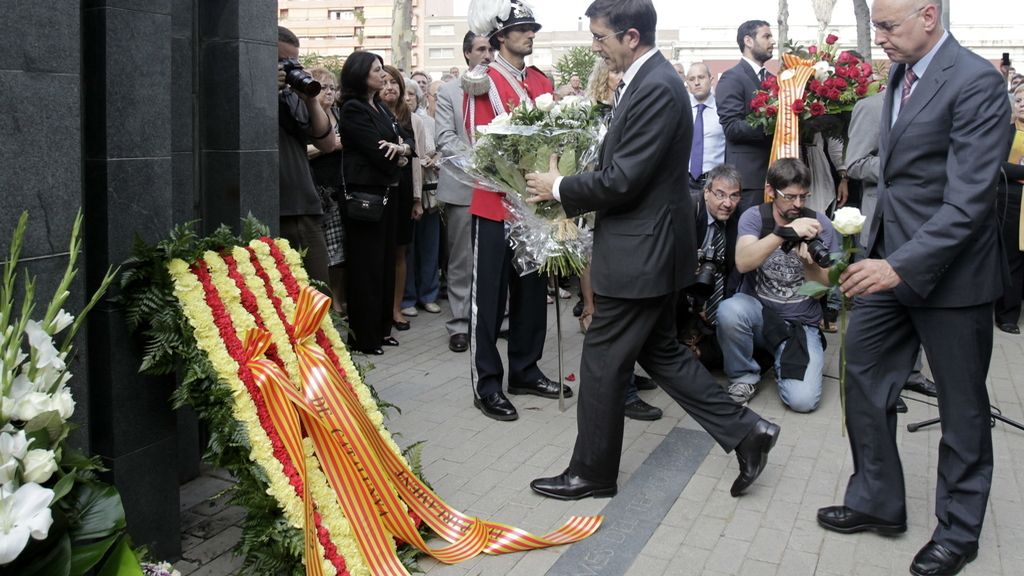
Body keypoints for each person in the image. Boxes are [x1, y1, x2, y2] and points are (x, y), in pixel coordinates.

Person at [525, 0, 778, 501]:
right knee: (661, 351)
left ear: (631, 36)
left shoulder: (657, 86)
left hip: (640, 253)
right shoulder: (649, 81)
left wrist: (560, 187)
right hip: (652, 248)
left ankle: (592, 473)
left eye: (600, 38)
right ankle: (747, 432)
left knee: (600, 362)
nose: (596, 47)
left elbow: (624, 179)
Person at [816, 2, 1012, 575]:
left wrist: (897, 266)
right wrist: (872, 251)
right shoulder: (902, 71)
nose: (879, 39)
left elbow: (969, 202)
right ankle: (878, 502)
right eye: (875, 25)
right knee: (864, 380)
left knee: (963, 408)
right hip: (889, 264)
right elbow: (900, 179)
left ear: (929, 15)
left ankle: (959, 531)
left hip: (950, 279)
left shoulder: (976, 81)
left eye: (887, 26)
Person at [464, 0, 570, 421]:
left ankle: (525, 370)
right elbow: (478, 142)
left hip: (536, 205)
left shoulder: (541, 80)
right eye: (522, 28)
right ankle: (486, 382)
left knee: (531, 295)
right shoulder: (482, 79)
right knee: (489, 299)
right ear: (500, 37)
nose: (530, 34)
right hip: (494, 204)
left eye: (532, 28)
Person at [716, 158, 837, 412]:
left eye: (804, 197)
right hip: (760, 315)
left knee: (802, 401)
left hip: (799, 323)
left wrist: (810, 264)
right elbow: (743, 262)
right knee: (729, 310)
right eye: (790, 197)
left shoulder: (819, 223)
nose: (797, 205)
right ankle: (743, 377)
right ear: (770, 191)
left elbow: (827, 284)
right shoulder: (755, 217)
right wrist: (783, 232)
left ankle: (785, 360)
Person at [846, 90, 938, 397]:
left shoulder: (936, 104)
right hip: (882, 224)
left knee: (918, 297)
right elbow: (855, 163)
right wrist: (899, 163)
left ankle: (911, 372)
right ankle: (883, 383)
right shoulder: (871, 107)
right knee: (879, 302)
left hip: (924, 224)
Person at [337, 52, 416, 355]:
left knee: (384, 263)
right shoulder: (353, 109)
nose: (383, 75)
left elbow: (406, 141)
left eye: (383, 69)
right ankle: (364, 338)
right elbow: (377, 151)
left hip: (389, 193)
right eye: (377, 69)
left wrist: (401, 149)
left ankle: (382, 330)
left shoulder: (380, 107)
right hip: (366, 196)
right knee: (366, 267)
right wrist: (398, 155)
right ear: (360, 74)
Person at [435, 31, 495, 353]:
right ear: (467, 54)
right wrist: (482, 164)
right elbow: (444, 138)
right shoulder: (448, 92)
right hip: (463, 187)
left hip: (501, 190)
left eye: (491, 49)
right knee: (462, 260)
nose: (488, 55)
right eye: (481, 49)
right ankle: (459, 324)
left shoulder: (500, 89)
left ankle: (496, 319)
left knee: (497, 258)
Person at [277, 27, 335, 286]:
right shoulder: (245, 88)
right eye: (281, 62)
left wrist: (311, 99)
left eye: (293, 63)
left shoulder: (293, 96)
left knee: (318, 293)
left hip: (305, 204)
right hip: (276, 208)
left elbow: (326, 142)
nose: (288, 69)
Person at [677, 164, 744, 369]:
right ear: (706, 192)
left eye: (734, 196)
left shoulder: (739, 218)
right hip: (680, 292)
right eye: (720, 194)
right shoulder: (688, 209)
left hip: (715, 294)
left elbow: (735, 270)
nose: (727, 203)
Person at [380, 66, 424, 333]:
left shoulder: (412, 119)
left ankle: (397, 308)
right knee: (379, 252)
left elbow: (416, 161)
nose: (390, 87)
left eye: (394, 82)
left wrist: (417, 199)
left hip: (405, 190)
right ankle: (381, 308)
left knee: (400, 251)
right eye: (383, 82)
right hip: (379, 192)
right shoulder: (370, 113)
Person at [717, 20, 776, 213]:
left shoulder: (774, 80)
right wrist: (774, 125)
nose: (772, 41)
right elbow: (732, 127)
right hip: (748, 180)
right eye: (766, 36)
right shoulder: (732, 77)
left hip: (776, 175)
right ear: (748, 41)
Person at [305, 67, 347, 313]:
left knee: (341, 252)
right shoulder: (307, 116)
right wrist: (329, 146)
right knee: (322, 254)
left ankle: (339, 301)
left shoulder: (340, 116)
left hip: (339, 190)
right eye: (324, 87)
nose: (330, 92)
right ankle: (323, 302)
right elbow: (301, 151)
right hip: (316, 191)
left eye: (333, 87)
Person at [401, 77, 443, 317]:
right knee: (408, 248)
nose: (407, 98)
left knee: (430, 246)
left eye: (412, 94)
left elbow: (441, 150)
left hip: (431, 191)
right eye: (404, 93)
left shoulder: (429, 122)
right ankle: (407, 297)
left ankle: (429, 294)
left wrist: (432, 159)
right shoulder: (394, 121)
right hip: (406, 192)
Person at [995, 84, 1024, 333]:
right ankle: (1007, 315)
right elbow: (998, 166)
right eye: (1019, 99)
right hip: (1010, 200)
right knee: (1011, 257)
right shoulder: (1004, 132)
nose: (1022, 104)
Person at [686, 62, 726, 199]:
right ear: (687, 83)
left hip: (715, 182)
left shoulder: (723, 110)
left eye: (701, 77)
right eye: (692, 79)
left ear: (711, 79)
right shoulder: (680, 110)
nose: (696, 83)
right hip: (684, 181)